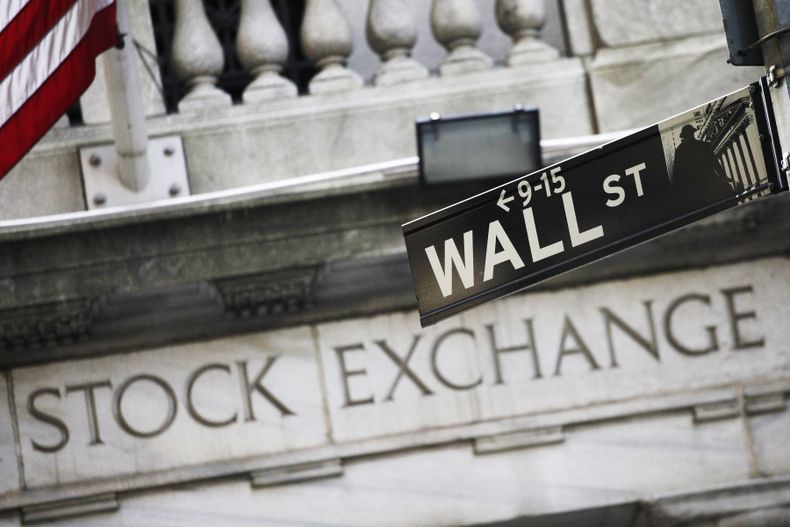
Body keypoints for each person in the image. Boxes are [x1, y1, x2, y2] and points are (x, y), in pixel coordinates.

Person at [671, 124, 734, 206]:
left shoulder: (680, 150)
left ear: (684, 136)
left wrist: (677, 190)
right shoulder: (703, 145)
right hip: (709, 181)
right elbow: (715, 163)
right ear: (692, 133)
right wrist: (723, 177)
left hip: (693, 187)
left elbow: (677, 172)